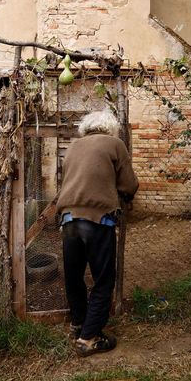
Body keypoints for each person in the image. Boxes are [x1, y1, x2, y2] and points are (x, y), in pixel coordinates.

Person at [56, 108, 139, 357]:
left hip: (69, 219)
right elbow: (128, 184)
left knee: (74, 276)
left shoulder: (72, 147)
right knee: (103, 280)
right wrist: (125, 194)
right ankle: (89, 338)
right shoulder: (115, 144)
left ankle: (79, 323)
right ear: (110, 127)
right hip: (98, 220)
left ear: (86, 127)